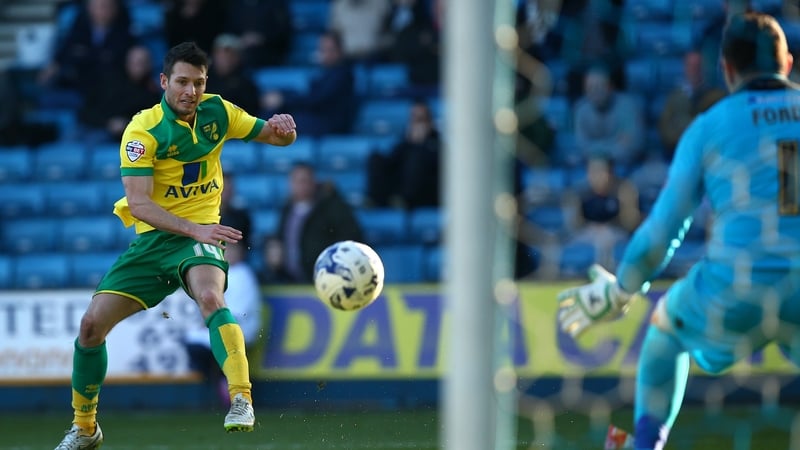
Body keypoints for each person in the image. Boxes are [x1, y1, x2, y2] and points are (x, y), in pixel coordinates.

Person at [556, 12, 800, 450]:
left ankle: (646, 444)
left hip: (735, 285)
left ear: (726, 70)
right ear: (788, 64)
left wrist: (622, 291)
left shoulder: (708, 127)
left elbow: (663, 232)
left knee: (666, 332)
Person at [53, 41, 297, 449]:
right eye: (182, 82)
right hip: (156, 240)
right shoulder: (142, 131)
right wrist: (193, 230)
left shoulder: (219, 112)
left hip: (200, 235)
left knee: (210, 298)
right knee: (90, 328)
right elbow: (139, 205)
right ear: (164, 81)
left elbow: (274, 137)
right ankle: (85, 428)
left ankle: (241, 399)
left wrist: (286, 130)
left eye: (198, 83)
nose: (191, 91)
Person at [183, 238, 261, 408]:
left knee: (203, 345)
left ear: (241, 252)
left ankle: (223, 385)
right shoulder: (221, 271)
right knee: (193, 339)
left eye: (232, 250)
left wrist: (210, 321)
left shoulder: (243, 274)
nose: (228, 253)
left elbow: (239, 312)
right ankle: (220, 385)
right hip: (221, 324)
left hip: (240, 328)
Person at [263, 162, 364, 283]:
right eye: (296, 181)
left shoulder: (331, 208)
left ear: (313, 182)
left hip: (324, 280)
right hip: (291, 280)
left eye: (304, 181)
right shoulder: (287, 209)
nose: (300, 186)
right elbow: (279, 238)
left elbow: (351, 238)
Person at [261, 32, 358, 136]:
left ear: (339, 51)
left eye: (328, 50)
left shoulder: (343, 75)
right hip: (316, 118)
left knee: (285, 121)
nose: (323, 54)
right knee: (276, 114)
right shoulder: (325, 73)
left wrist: (283, 99)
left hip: (330, 124)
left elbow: (316, 99)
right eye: (321, 49)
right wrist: (282, 96)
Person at [365, 99, 441, 210]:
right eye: (414, 118)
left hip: (425, 193)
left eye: (421, 119)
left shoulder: (436, 141)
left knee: (416, 158)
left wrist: (421, 144)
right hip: (399, 187)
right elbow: (392, 160)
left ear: (429, 120)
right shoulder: (405, 140)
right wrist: (410, 142)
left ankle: (404, 199)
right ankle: (376, 200)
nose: (417, 123)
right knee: (375, 158)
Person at [77, 45, 161, 143]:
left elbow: (150, 123)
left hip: (129, 137)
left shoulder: (152, 92)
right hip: (96, 128)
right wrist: (108, 123)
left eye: (140, 63)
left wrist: (125, 124)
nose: (136, 67)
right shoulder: (109, 82)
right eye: (132, 62)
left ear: (149, 65)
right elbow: (86, 112)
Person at [573, 64, 645, 170]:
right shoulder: (581, 109)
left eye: (600, 86)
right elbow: (582, 146)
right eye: (590, 87)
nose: (595, 91)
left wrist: (597, 149)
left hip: (626, 166)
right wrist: (613, 144)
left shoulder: (628, 107)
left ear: (610, 87)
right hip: (591, 167)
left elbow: (632, 146)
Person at [657, 50, 726, 161]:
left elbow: (719, 130)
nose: (694, 70)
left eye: (698, 66)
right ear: (685, 68)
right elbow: (665, 130)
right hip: (678, 153)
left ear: (704, 68)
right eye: (691, 66)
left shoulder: (717, 97)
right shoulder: (674, 98)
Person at [206, 34, 261, 115]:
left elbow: (251, 111)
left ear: (238, 57)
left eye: (231, 54)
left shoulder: (246, 82)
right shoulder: (203, 77)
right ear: (214, 55)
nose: (225, 58)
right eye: (221, 53)